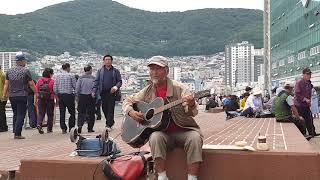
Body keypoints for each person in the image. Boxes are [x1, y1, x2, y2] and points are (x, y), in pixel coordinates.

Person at [122, 56, 202, 180]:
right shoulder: (147, 91)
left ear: (167, 71)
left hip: (184, 130)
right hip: (163, 134)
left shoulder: (179, 88)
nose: (154, 72)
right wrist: (131, 112)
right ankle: (162, 176)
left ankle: (192, 177)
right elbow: (128, 100)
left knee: (195, 138)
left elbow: (192, 112)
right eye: (152, 69)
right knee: (154, 137)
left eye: (158, 69)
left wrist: (191, 104)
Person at [2, 52, 37, 139]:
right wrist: (36, 92)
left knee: (15, 113)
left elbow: (6, 84)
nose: (25, 62)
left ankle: (15, 130)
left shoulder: (9, 71)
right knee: (21, 114)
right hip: (22, 95)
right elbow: (31, 84)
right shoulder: (25, 71)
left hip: (12, 96)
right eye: (25, 60)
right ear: (21, 61)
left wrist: (4, 94)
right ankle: (17, 134)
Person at [93, 55, 122, 128]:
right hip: (102, 92)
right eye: (106, 59)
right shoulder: (100, 71)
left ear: (112, 61)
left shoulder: (115, 71)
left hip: (112, 92)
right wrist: (94, 91)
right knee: (104, 108)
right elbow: (96, 81)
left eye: (109, 59)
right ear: (104, 61)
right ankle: (111, 121)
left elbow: (119, 81)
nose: (108, 61)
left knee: (110, 108)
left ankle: (108, 124)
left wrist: (115, 87)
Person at [294, 68, 319, 137]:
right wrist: (305, 99)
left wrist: (309, 101)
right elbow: (297, 94)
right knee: (301, 120)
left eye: (310, 74)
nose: (309, 75)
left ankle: (312, 133)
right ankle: (303, 134)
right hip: (299, 105)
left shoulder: (309, 83)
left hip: (306, 105)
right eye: (308, 74)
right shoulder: (299, 82)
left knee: (309, 119)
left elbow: (309, 93)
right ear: (303, 75)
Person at [53, 63, 76, 133]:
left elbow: (55, 87)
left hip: (60, 95)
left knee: (62, 112)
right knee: (72, 112)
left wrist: (57, 95)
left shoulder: (57, 76)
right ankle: (71, 127)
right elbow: (75, 86)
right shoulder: (71, 75)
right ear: (68, 68)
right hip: (69, 95)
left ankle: (63, 128)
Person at [76, 65, 96, 133]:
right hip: (91, 97)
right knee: (91, 113)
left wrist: (78, 96)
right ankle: (90, 128)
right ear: (90, 70)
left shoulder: (80, 78)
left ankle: (79, 125)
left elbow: (77, 88)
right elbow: (95, 88)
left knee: (81, 112)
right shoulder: (93, 78)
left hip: (82, 96)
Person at [35, 68, 55, 134]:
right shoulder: (52, 81)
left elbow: (36, 90)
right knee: (50, 114)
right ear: (50, 74)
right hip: (50, 99)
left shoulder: (39, 81)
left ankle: (39, 124)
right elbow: (54, 91)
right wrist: (57, 99)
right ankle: (49, 129)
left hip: (41, 99)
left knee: (41, 113)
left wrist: (36, 99)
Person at [0, 65, 8, 132]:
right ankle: (3, 126)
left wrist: (4, 95)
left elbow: (6, 85)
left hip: (2, 97)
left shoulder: (2, 75)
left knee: (2, 112)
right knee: (2, 112)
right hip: (2, 96)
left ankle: (3, 127)